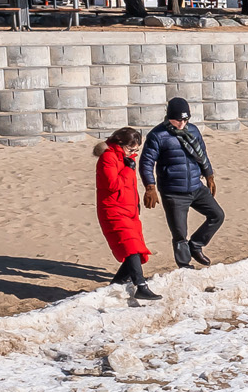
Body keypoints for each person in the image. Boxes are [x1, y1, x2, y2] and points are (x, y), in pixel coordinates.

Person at [140, 97, 223, 270]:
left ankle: (196, 245)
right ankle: (185, 266)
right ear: (169, 117)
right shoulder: (157, 135)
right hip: (173, 192)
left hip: (196, 187)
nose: (182, 123)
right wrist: (150, 187)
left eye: (185, 119)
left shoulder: (192, 130)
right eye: (178, 120)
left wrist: (209, 175)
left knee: (217, 215)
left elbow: (202, 154)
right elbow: (146, 163)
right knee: (179, 234)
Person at [94, 127, 159, 302]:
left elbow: (129, 186)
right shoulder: (108, 157)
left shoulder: (126, 158)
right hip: (113, 209)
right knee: (131, 246)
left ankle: (116, 284)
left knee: (136, 250)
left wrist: (137, 203)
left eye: (136, 150)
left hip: (129, 209)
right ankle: (141, 285)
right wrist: (128, 169)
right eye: (131, 149)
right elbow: (113, 184)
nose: (134, 153)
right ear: (120, 143)